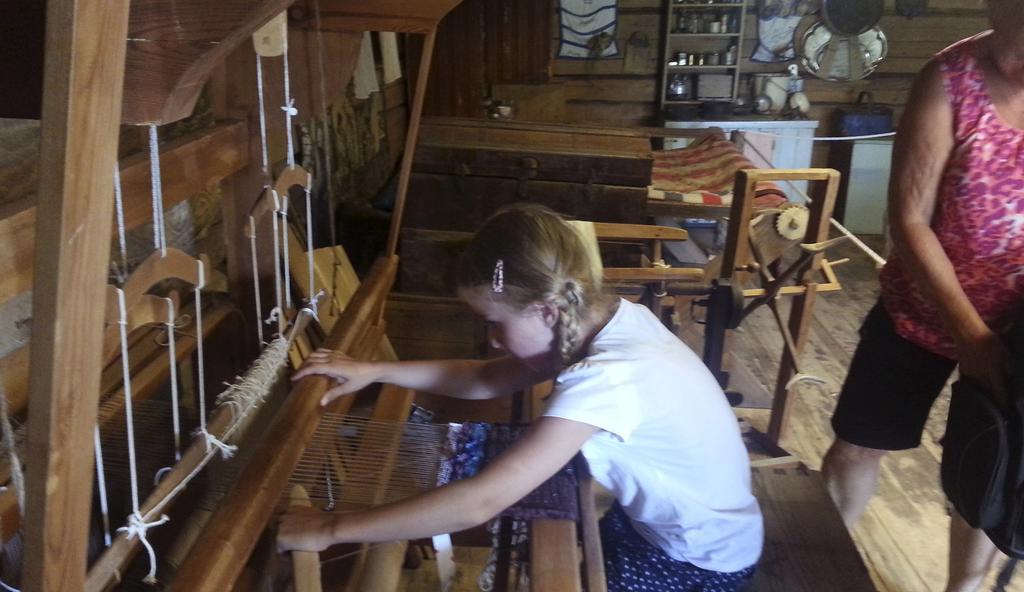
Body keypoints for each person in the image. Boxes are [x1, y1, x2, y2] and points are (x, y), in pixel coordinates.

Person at [277, 204, 762, 591]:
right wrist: (374, 371)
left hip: (696, 565)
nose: (491, 338)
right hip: (658, 529)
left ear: (546, 311)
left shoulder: (610, 376)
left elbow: (479, 503)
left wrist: (329, 529)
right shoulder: (608, 320)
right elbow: (486, 380)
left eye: (495, 321)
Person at [821, 3, 1024, 591]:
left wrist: (997, 345)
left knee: (996, 469)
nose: (1019, 66)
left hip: (1018, 327)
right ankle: (821, 562)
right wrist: (972, 338)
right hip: (920, 313)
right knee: (860, 445)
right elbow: (909, 221)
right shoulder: (949, 80)